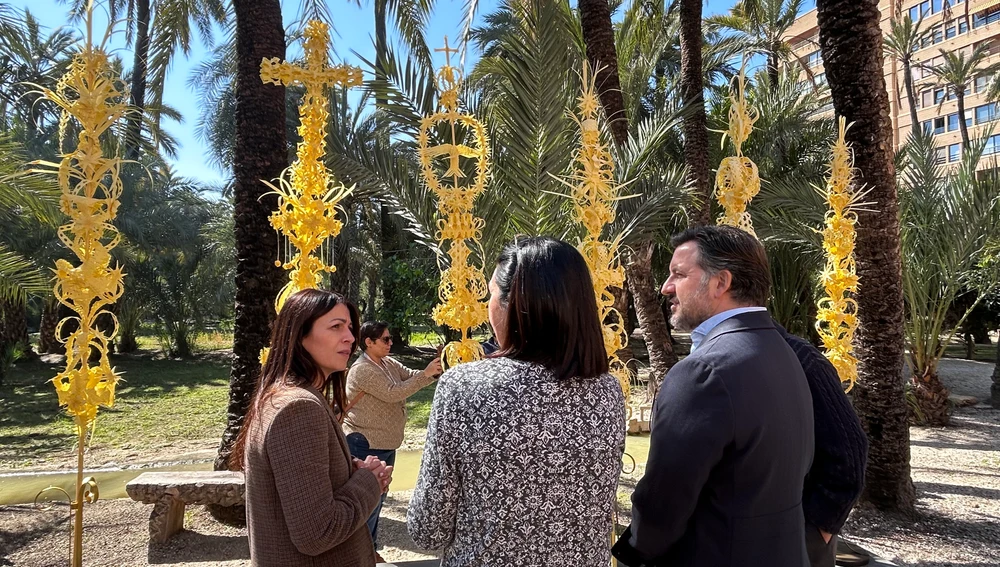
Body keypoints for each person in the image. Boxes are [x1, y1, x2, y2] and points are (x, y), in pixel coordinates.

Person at [407, 236, 626, 566]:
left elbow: (428, 529)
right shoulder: (607, 392)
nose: (487, 307)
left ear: (515, 305)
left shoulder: (464, 387)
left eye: (492, 295)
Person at [613, 225, 815, 567]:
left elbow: (665, 498)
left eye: (678, 274)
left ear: (721, 282)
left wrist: (635, 549)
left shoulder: (704, 371)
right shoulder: (784, 351)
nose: (666, 287)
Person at [233, 289, 393, 567]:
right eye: (336, 327)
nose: (350, 337)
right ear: (300, 336)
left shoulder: (282, 396)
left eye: (350, 328)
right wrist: (370, 482)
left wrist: (347, 471)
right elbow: (317, 533)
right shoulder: (298, 408)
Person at [774, 322, 868, 567]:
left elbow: (849, 448)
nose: (667, 288)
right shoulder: (708, 353)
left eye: (682, 278)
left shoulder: (800, 357)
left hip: (799, 536)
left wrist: (819, 528)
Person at [342, 321, 442, 552]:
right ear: (369, 342)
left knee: (378, 500)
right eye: (385, 339)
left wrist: (435, 367)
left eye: (390, 339)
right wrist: (425, 374)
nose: (390, 343)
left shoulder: (386, 362)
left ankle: (370, 549)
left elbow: (411, 376)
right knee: (368, 503)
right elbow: (393, 393)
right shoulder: (363, 370)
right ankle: (361, 552)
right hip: (365, 443)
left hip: (384, 443)